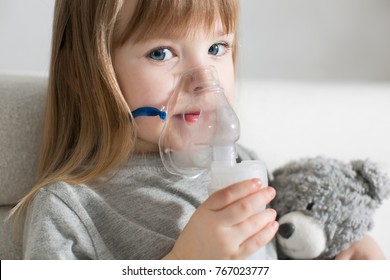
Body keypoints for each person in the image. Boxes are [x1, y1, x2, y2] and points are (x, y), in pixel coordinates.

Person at [12, 0, 384, 260]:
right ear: (87, 75)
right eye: (161, 53)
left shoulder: (246, 165)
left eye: (217, 47)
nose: (204, 80)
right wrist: (186, 261)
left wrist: (346, 252)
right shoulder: (70, 207)